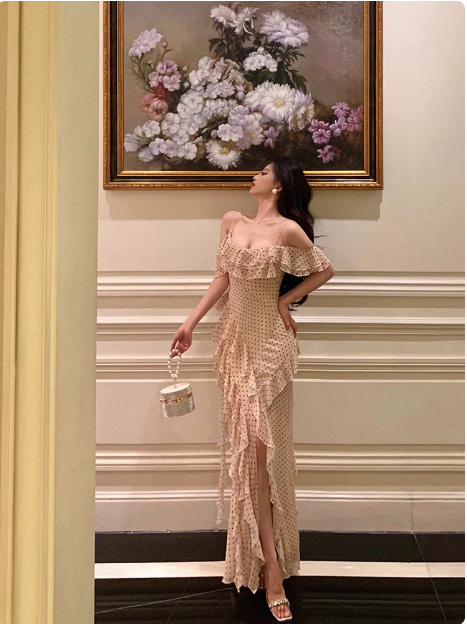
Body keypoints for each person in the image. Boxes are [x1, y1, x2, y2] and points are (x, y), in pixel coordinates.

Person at [170, 156, 334, 621]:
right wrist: (189, 323)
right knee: (249, 457)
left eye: (263, 172)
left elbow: (324, 270)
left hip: (271, 347)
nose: (254, 176)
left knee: (261, 456)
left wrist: (286, 300)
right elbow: (221, 279)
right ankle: (264, 560)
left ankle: (273, 570)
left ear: (279, 185)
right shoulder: (232, 220)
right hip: (233, 343)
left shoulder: (287, 231)